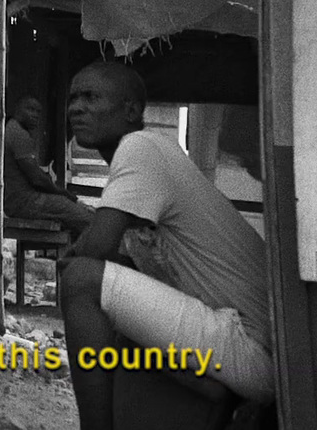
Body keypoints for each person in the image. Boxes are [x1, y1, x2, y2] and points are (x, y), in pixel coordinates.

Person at [57, 62, 273, 429]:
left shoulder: (141, 147)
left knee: (81, 281)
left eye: (91, 97)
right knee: (113, 295)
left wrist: (73, 258)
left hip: (253, 347)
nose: (76, 107)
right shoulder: (145, 163)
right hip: (248, 346)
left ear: (130, 110)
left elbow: (93, 251)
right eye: (73, 98)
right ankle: (211, 392)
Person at [4, 95, 93, 236]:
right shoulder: (18, 133)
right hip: (23, 201)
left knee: (74, 216)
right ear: (17, 110)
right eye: (30, 109)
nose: (35, 115)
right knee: (86, 219)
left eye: (38, 112)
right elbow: (37, 179)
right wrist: (66, 195)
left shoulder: (13, 130)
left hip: (18, 200)